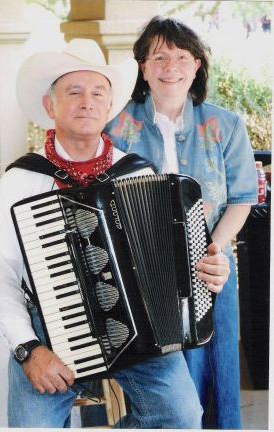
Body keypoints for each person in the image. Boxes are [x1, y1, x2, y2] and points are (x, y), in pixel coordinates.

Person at [0, 37, 230, 429]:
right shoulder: (23, 178)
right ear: (51, 106)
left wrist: (211, 270)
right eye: (74, 91)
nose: (88, 101)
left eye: (99, 92)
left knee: (183, 417)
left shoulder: (136, 172)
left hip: (143, 329)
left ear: (108, 106)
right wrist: (27, 350)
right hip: (47, 333)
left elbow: (181, 266)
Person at [105, 16, 258, 429]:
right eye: (159, 56)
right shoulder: (116, 125)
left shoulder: (226, 125)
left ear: (197, 66)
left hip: (210, 266)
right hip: (138, 272)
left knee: (214, 369)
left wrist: (216, 248)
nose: (169, 66)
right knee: (158, 379)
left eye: (180, 56)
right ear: (143, 67)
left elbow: (243, 198)